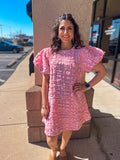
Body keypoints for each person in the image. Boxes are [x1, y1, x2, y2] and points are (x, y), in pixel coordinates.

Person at [33, 13, 107, 160]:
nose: (65, 32)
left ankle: (63, 149)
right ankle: (53, 150)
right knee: (50, 136)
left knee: (67, 128)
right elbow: (45, 82)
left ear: (74, 31)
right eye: (62, 28)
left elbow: (102, 72)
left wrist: (86, 86)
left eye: (69, 28)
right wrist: (44, 105)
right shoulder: (48, 54)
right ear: (57, 31)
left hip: (72, 101)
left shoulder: (81, 53)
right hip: (53, 102)